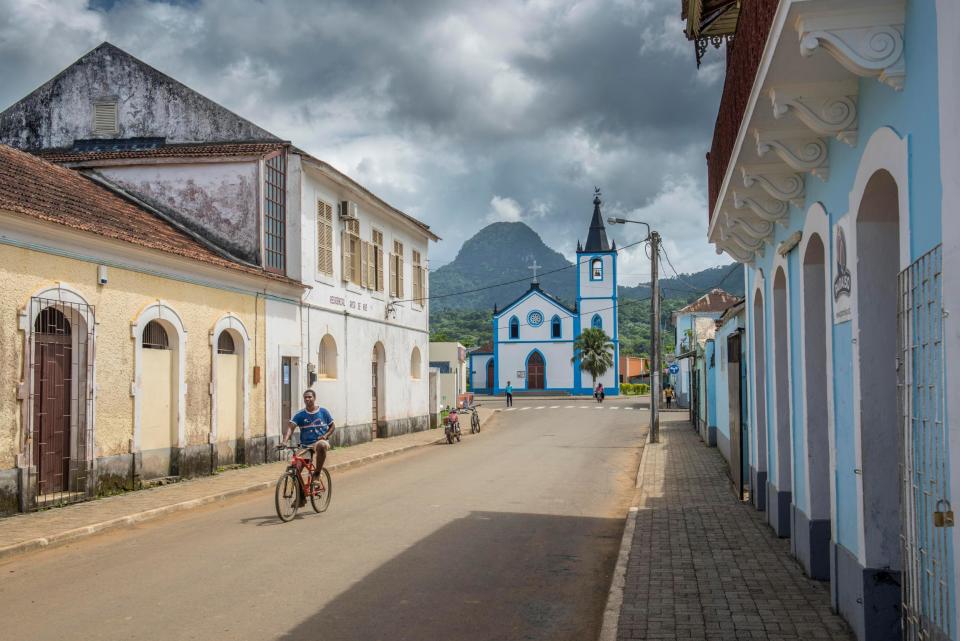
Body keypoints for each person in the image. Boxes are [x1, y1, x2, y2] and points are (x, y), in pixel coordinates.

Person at [282, 389, 335, 482]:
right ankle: (301, 495)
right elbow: (290, 428)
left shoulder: (323, 412)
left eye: (310, 397)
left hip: (320, 441)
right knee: (296, 469)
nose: (307, 399)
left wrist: (326, 435)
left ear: (314, 398)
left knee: (322, 445)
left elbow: (332, 426)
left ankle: (317, 473)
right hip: (305, 446)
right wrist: (284, 441)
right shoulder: (300, 415)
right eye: (305, 397)